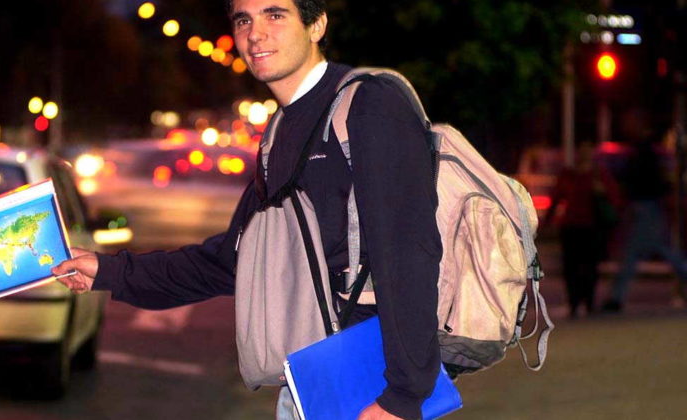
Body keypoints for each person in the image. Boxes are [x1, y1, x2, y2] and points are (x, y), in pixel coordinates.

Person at [53, 1, 442, 419]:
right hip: (313, 378)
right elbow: (230, 263)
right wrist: (107, 271)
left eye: (274, 15)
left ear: (316, 25)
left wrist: (403, 396)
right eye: (244, 19)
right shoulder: (279, 133)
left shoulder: (369, 105)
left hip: (369, 383)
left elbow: (409, 251)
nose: (255, 33)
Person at [603, 109, 687, 312]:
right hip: (647, 207)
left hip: (646, 207)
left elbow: (645, 180)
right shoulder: (644, 150)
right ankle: (616, 297)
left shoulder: (643, 152)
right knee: (659, 251)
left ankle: (616, 297)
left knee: (638, 252)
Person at [544, 142, 619, 318]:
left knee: (590, 266)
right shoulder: (569, 174)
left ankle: (588, 301)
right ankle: (574, 302)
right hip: (571, 226)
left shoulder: (599, 175)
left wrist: (601, 192)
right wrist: (547, 221)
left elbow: (614, 198)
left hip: (591, 227)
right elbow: (556, 197)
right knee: (571, 266)